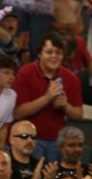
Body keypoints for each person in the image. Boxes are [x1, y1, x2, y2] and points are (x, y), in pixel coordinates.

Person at [12, 29, 83, 162]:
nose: (54, 56)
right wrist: (47, 97)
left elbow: (78, 114)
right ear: (39, 54)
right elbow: (18, 113)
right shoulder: (25, 74)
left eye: (58, 53)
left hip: (57, 141)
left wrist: (66, 106)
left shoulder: (70, 78)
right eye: (49, 52)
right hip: (30, 140)